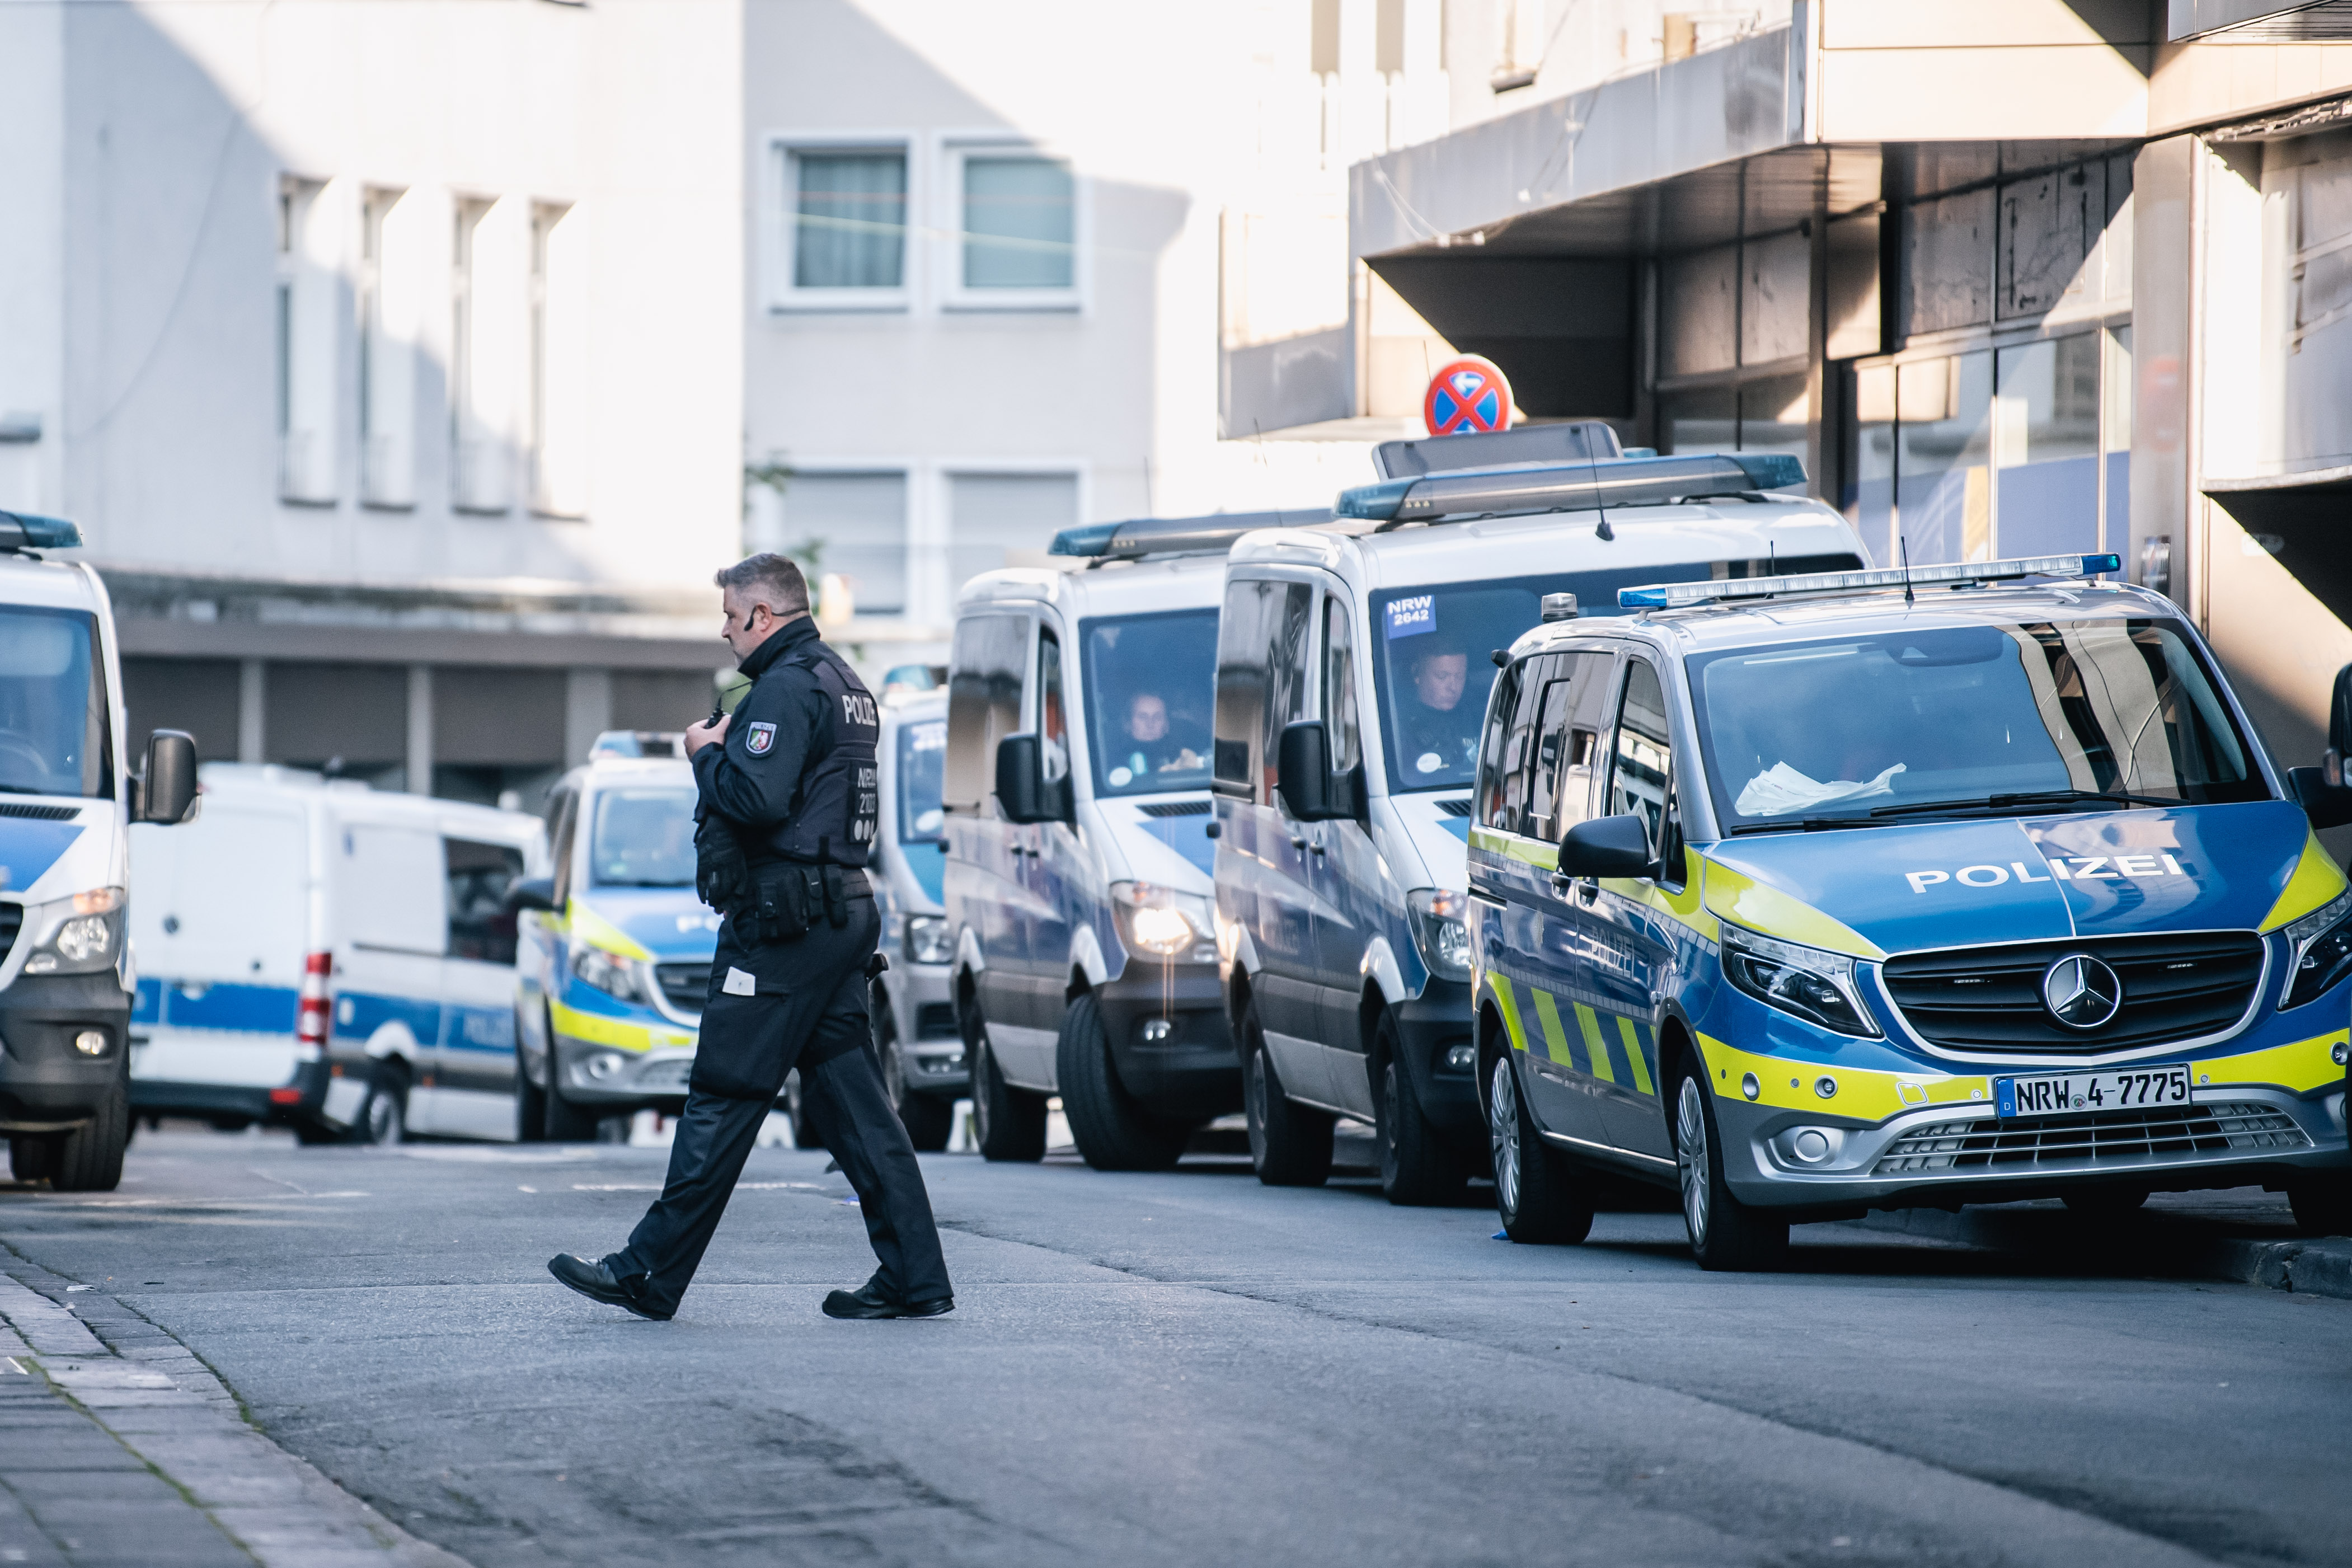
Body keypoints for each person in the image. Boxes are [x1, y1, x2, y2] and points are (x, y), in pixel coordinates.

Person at [547, 553, 954, 1322]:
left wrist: (704, 754)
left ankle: (647, 1271)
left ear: (763, 615)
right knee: (855, 1107)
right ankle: (915, 1274)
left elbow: (756, 797)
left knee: (724, 1093)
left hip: (783, 925)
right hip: (835, 912)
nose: (726, 634)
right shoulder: (843, 682)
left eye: (731, 619)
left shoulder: (784, 687)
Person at [1395, 642, 1479, 777]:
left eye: (1459, 676)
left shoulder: (1480, 718)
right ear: (1417, 673)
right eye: (1442, 676)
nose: (1453, 687)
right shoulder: (1397, 729)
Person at [1114, 691, 1201, 779]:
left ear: (1167, 724)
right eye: (1143, 717)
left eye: (1157, 717)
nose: (1150, 724)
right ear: (1127, 723)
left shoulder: (1182, 755)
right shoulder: (1111, 762)